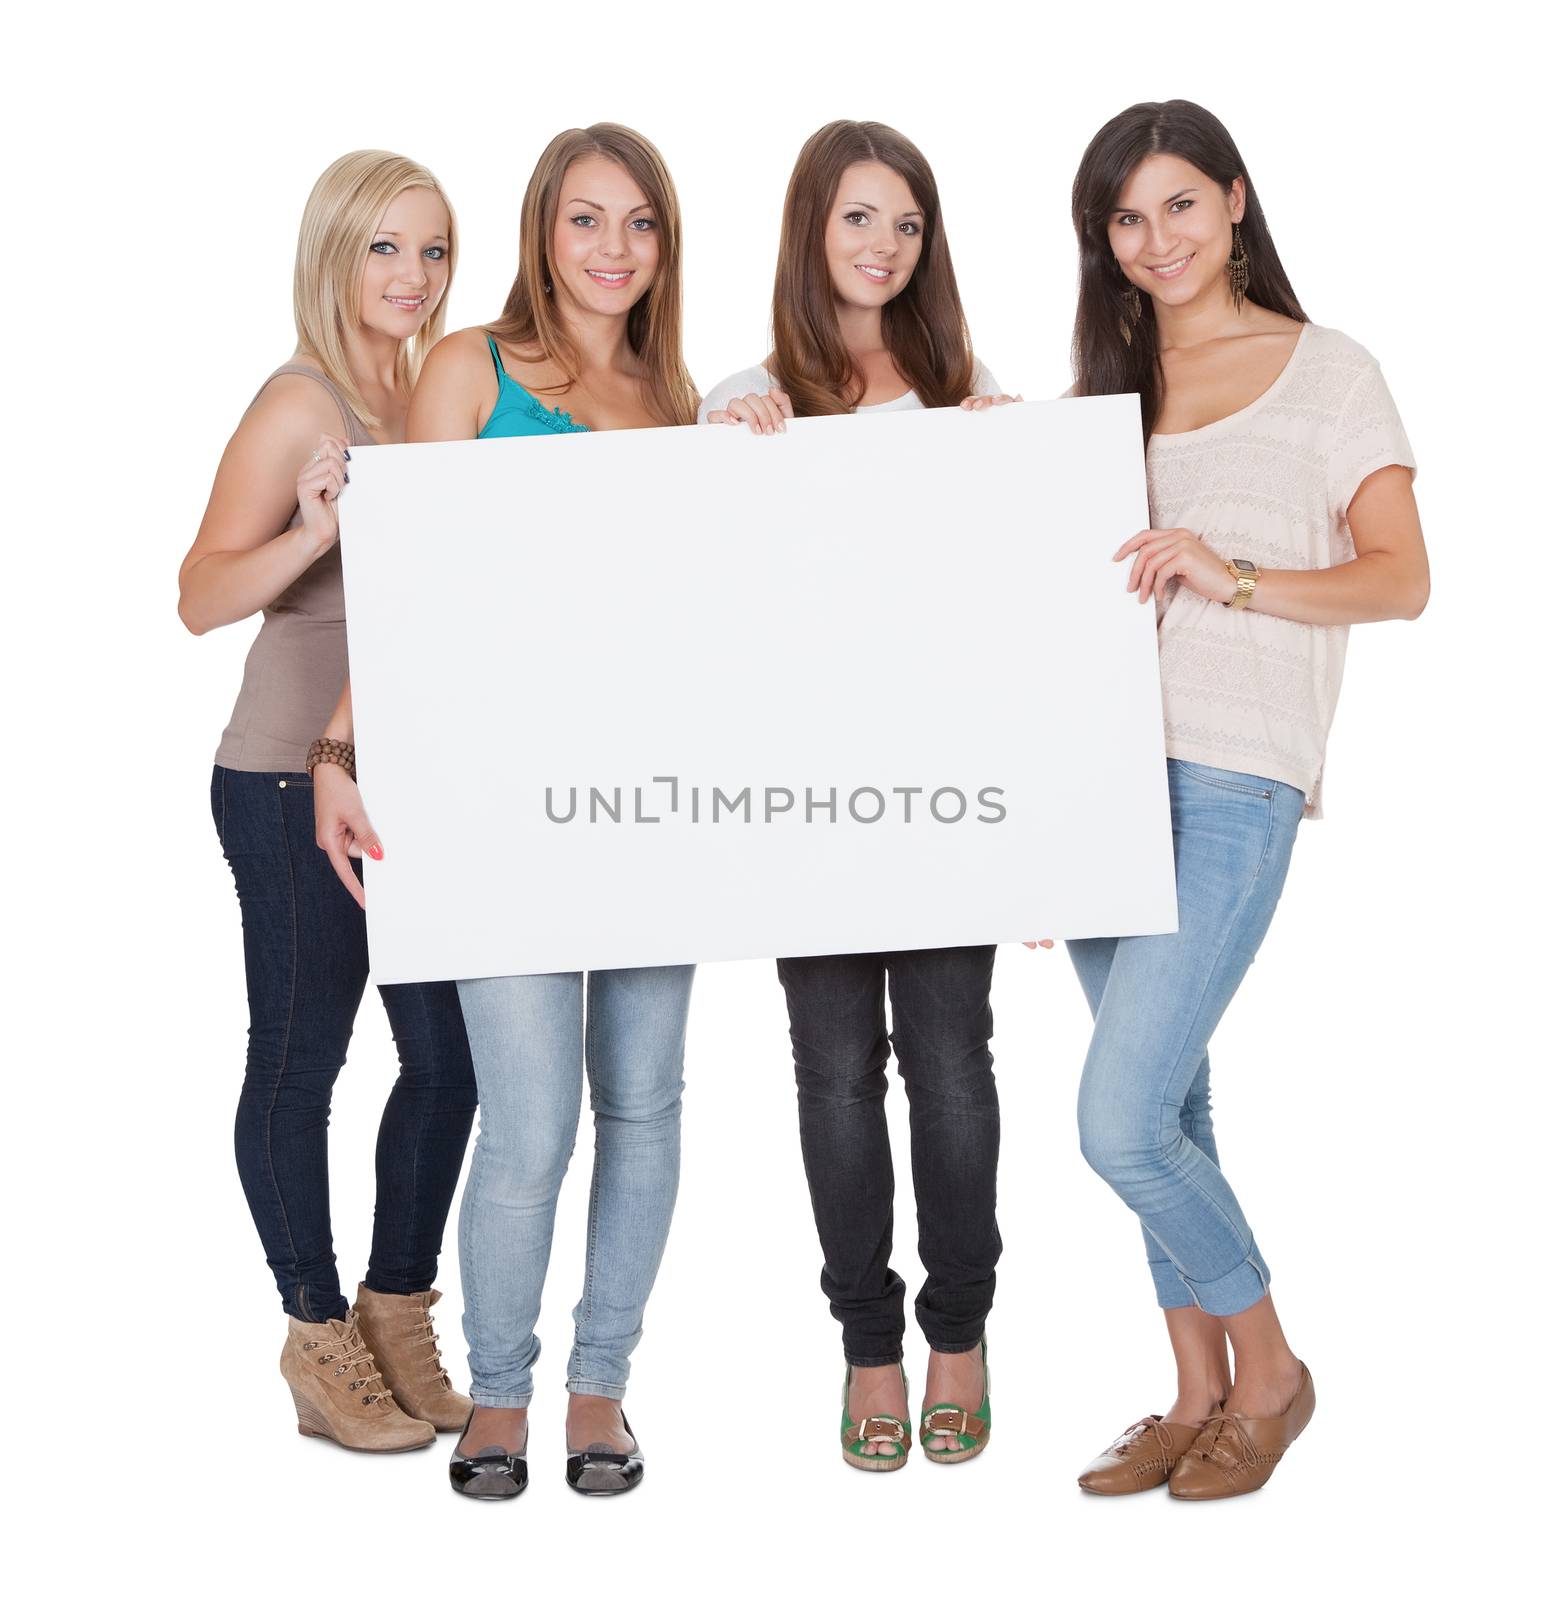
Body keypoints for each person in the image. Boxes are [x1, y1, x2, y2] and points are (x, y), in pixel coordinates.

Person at [312, 124, 699, 1498]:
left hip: (658, 800)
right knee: (531, 1120)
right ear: (542, 231)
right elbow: (405, 583)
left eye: (639, 224)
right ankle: (503, 1391)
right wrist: (339, 743)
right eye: (585, 220)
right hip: (496, 800)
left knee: (642, 1102)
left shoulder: (677, 394)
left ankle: (603, 1387)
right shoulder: (470, 368)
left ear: (664, 245)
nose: (612, 250)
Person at [1065, 99, 1429, 1500]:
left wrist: (1240, 574)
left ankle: (1271, 1374)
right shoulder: (1113, 384)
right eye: (1125, 217)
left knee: (1118, 1120)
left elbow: (1403, 578)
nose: (1155, 241)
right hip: (1096, 781)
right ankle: (1194, 1393)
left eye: (1179, 206)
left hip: (1233, 776)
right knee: (1171, 1109)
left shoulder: (1328, 369)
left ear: (1233, 200)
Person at [700, 120, 1020, 1472]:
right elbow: (693, 601)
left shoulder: (966, 391)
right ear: (808, 231)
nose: (883, 247)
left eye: (906, 224)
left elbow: (1021, 608)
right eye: (857, 220)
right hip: (802, 799)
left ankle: (960, 1330)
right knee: (834, 1073)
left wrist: (1018, 468)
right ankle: (868, 1346)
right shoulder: (747, 392)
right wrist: (714, 443)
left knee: (949, 1066)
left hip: (943, 787)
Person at [179, 151, 476, 1453]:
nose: (411, 279)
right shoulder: (302, 403)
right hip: (281, 776)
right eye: (385, 250)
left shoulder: (418, 390)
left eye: (433, 252)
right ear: (334, 254)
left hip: (402, 779)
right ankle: (317, 1340)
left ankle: (395, 1306)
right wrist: (312, 530)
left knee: (451, 1063)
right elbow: (195, 594)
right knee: (302, 1064)